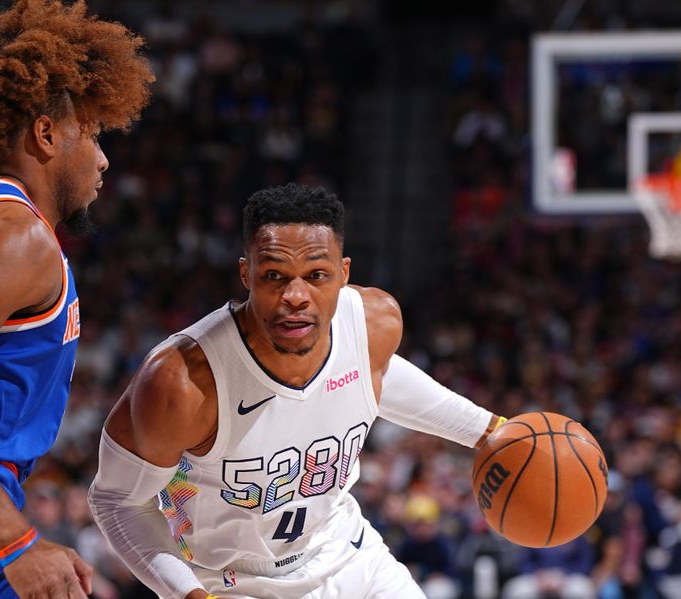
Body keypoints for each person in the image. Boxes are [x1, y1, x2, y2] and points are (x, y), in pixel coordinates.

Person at [88, 183, 506, 599]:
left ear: (343, 274)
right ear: (245, 274)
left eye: (316, 276)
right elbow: (118, 503)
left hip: (346, 555)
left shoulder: (374, 324)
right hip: (227, 580)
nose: (296, 296)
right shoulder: (181, 381)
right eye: (274, 276)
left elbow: (377, 376)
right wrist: (188, 595)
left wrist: (491, 431)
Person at [0, 1, 154, 597]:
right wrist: (14, 540)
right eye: (93, 135)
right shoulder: (11, 235)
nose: (104, 160)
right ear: (46, 133)